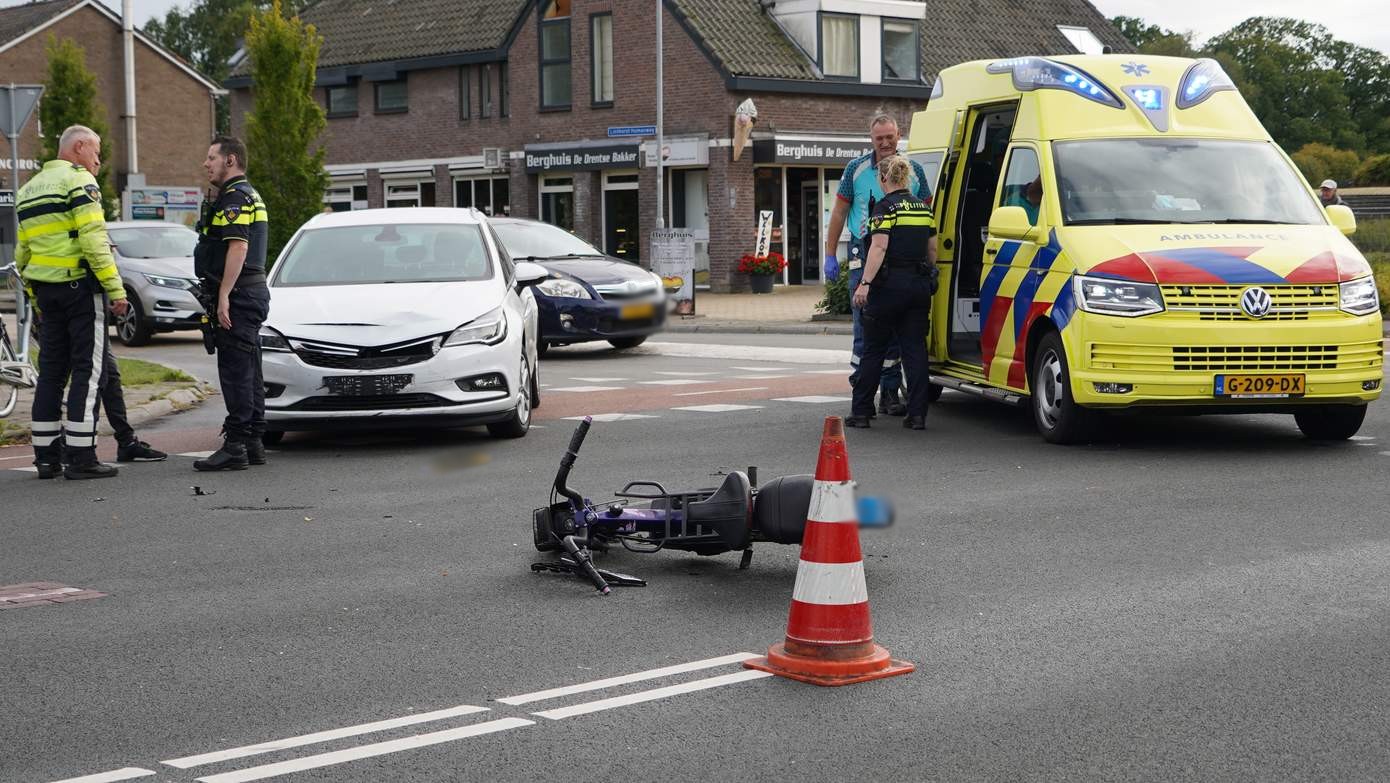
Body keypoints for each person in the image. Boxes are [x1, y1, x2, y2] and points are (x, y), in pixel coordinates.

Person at [14, 125, 129, 479]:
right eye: (95, 151)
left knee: (50, 373)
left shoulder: (28, 190)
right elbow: (94, 241)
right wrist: (116, 290)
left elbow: (23, 253)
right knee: (87, 371)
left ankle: (46, 458)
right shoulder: (79, 182)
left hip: (47, 293)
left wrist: (35, 295)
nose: (98, 160)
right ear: (78, 147)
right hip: (80, 290)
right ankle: (81, 456)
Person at [824, 113, 932, 417]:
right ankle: (862, 393)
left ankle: (888, 394)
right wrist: (831, 254)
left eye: (890, 137)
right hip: (864, 258)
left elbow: (927, 213)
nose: (885, 143)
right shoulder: (854, 170)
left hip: (900, 260)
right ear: (871, 139)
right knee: (865, 332)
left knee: (895, 335)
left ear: (899, 135)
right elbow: (839, 213)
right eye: (879, 138)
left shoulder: (914, 171)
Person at [193, 136, 271, 472]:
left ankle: (236, 444)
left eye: (212, 157)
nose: (206, 163)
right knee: (250, 368)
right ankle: (253, 441)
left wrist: (224, 294)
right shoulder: (249, 193)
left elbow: (237, 247)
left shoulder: (236, 197)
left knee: (236, 371)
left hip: (239, 294)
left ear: (231, 160)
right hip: (250, 292)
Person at [846, 155, 938, 431]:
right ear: (907, 178)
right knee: (915, 351)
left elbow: (879, 247)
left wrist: (865, 283)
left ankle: (861, 412)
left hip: (887, 288)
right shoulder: (923, 209)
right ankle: (918, 415)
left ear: (882, 178)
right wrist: (927, 273)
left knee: (873, 350)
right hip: (917, 287)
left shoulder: (884, 208)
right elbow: (932, 249)